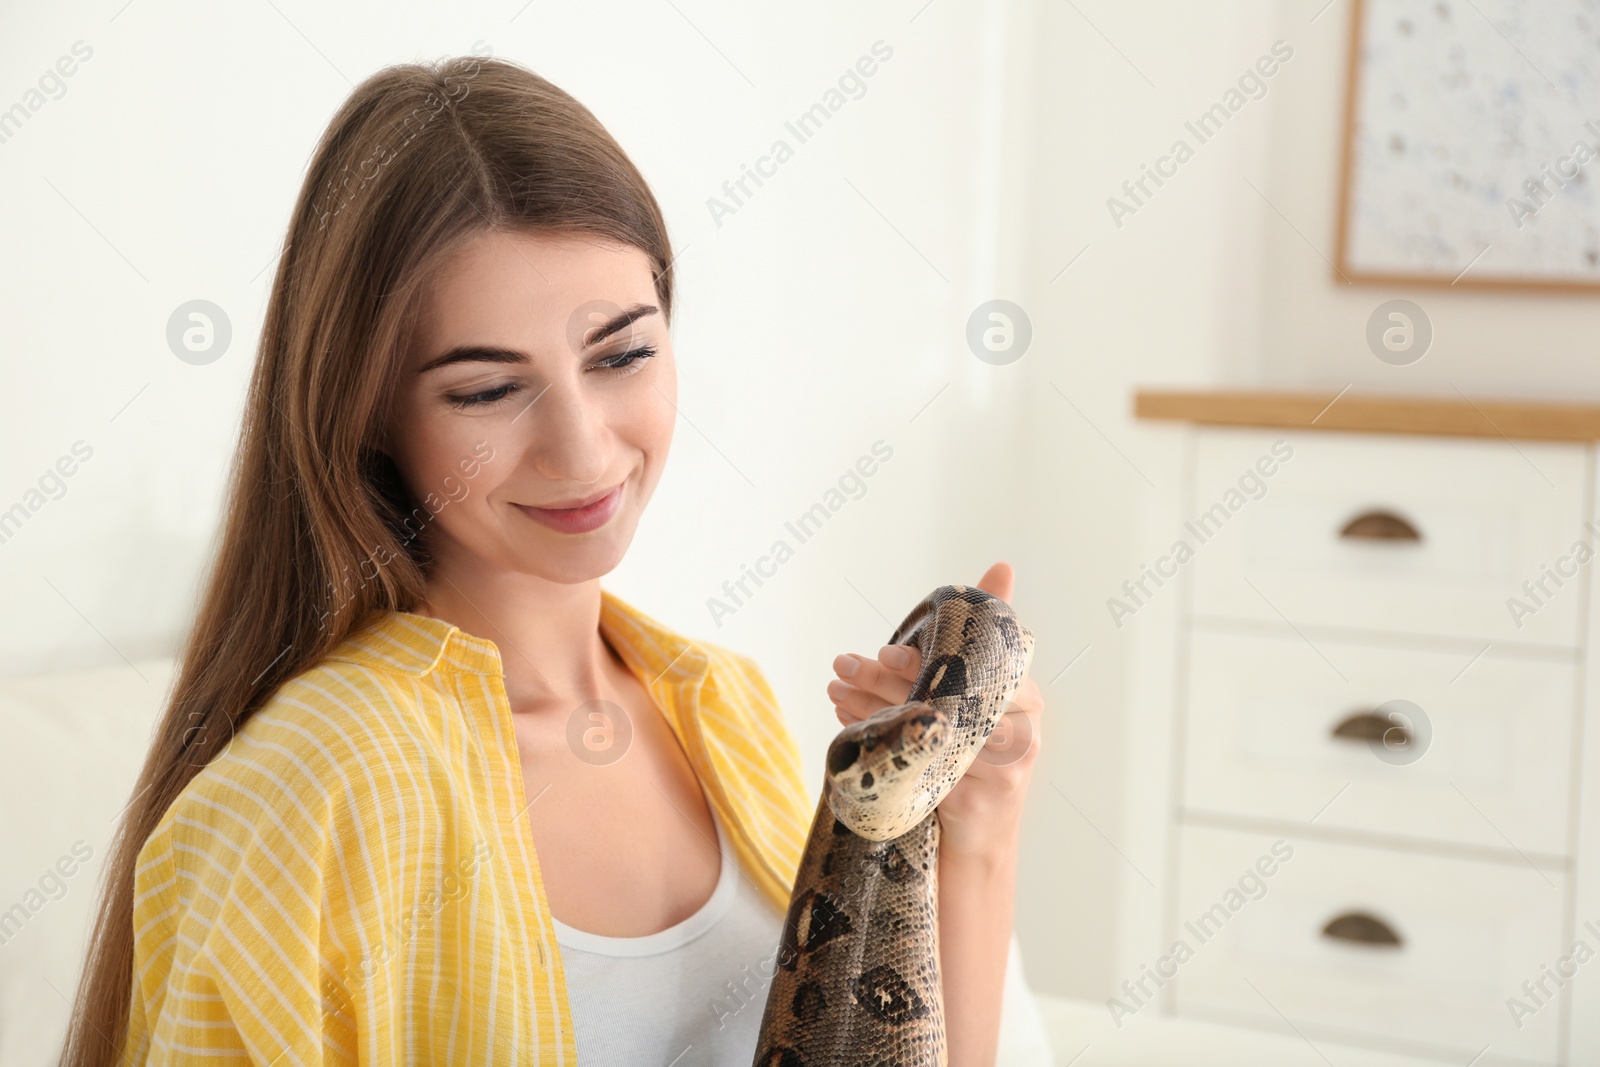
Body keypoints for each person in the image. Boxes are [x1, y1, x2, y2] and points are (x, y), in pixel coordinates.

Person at [60, 54, 1044, 1066]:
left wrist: (972, 828)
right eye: (488, 389)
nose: (581, 449)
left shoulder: (723, 707)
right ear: (367, 413)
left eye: (621, 355)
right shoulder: (306, 790)